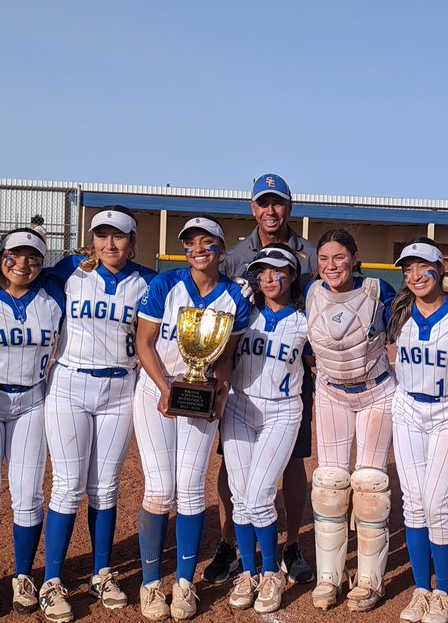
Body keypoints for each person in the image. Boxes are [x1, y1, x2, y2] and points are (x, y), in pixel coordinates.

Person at [37, 206, 157, 623]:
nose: (110, 244)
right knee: (69, 485)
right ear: (91, 238)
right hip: (70, 383)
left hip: (121, 388)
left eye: (118, 236)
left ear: (132, 239)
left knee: (105, 486)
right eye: (102, 236)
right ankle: (52, 580)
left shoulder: (148, 282)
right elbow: (21, 277)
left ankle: (101, 572)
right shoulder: (70, 269)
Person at [134, 215, 252, 620]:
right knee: (160, 489)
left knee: (190, 488)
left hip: (201, 397)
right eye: (190, 243)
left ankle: (184, 583)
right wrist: (166, 389)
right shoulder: (165, 284)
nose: (198, 250)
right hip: (157, 390)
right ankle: (151, 584)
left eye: (207, 243)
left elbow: (227, 358)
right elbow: (144, 343)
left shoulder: (235, 296)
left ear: (221, 248)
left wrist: (219, 393)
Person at [208, 173, 319, 586]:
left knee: (292, 460)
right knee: (234, 467)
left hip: (290, 374)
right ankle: (230, 544)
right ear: (252, 208)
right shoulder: (235, 258)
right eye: (263, 203)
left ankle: (290, 545)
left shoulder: (311, 254)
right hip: (244, 376)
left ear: (289, 206)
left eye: (278, 203)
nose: (270, 211)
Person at [0, 229, 65, 617]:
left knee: (29, 495)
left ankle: (23, 577)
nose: (23, 264)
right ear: (0, 255)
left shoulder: (54, 293)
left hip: (33, 402)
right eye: (14, 255)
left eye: (32, 257)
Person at [305, 228, 397, 612]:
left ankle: (368, 580)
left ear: (355, 258)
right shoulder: (310, 294)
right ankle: (330, 576)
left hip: (376, 391)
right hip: (331, 393)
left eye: (339, 258)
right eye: (324, 259)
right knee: (329, 483)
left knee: (370, 486)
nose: (331, 266)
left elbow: (420, 311)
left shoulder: (379, 291)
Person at [388, 239, 448, 623]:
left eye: (422, 266)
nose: (414, 275)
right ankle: (422, 589)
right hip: (407, 406)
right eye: (407, 269)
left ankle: (445, 591)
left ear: (439, 269)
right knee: (412, 502)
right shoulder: (396, 311)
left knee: (437, 503)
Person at [221, 244, 312, 614]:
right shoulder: (245, 313)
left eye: (278, 271)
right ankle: (249, 571)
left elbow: (324, 357)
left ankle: (272, 572)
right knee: (241, 498)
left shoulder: (306, 320)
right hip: (240, 407)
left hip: (282, 412)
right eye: (262, 271)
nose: (269, 278)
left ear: (291, 275)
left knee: (258, 496)